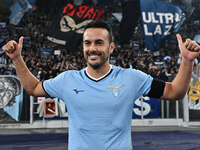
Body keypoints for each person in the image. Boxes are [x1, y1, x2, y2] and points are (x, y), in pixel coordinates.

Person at [2, 21, 200, 150]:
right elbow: (33, 88)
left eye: (99, 42)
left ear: (110, 47)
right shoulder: (67, 79)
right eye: (87, 43)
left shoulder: (132, 78)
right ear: (83, 47)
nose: (92, 48)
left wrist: (187, 61)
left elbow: (175, 92)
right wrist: (17, 58)